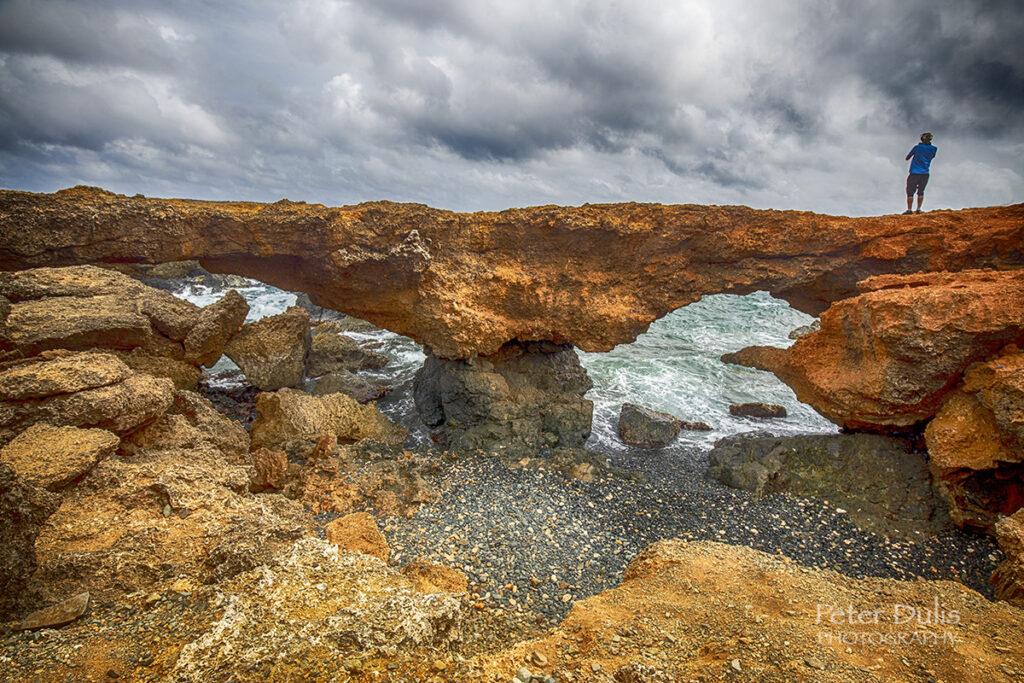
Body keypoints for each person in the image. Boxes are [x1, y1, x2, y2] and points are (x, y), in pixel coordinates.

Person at [904, 132, 936, 214]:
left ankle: (909, 210)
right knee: (921, 191)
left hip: (914, 172)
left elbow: (907, 158)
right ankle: (918, 209)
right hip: (925, 172)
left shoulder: (917, 148)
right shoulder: (934, 149)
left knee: (910, 191)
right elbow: (931, 157)